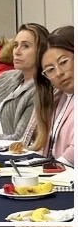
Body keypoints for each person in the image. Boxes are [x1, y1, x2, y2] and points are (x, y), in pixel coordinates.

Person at [0, 23, 49, 137]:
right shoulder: (4, 77)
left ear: (41, 51)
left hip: (0, 145)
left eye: (25, 46)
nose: (17, 52)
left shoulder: (40, 90)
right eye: (15, 45)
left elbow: (19, 138)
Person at [24, 25, 73, 163]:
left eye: (63, 62)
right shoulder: (56, 99)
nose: (59, 73)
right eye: (50, 70)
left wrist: (52, 169)